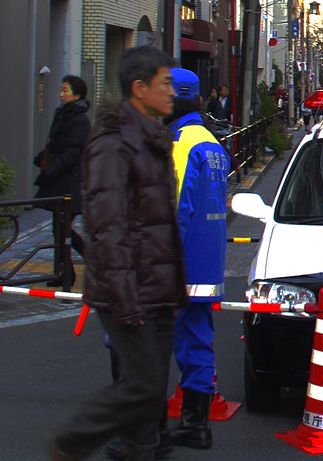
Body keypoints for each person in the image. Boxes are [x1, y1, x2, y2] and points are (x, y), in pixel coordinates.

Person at [45, 47, 182, 461]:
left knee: (150, 386)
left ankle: (138, 451)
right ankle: (71, 441)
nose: (172, 92)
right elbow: (109, 226)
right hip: (130, 287)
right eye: (165, 83)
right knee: (140, 385)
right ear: (139, 89)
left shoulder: (149, 137)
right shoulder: (113, 144)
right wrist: (125, 297)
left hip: (155, 285)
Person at [156, 69, 230, 451]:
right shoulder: (212, 144)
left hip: (177, 264)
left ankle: (151, 429)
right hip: (207, 262)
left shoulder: (182, 144)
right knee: (197, 341)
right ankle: (196, 424)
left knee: (149, 344)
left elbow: (176, 210)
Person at [35, 75, 91, 289]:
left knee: (63, 228)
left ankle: (82, 268)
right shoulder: (64, 115)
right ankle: (64, 272)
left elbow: (73, 152)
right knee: (59, 228)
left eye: (65, 90)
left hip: (71, 182)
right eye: (61, 90)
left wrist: (51, 170)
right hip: (60, 180)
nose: (61, 94)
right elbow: (57, 144)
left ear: (77, 94)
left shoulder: (80, 119)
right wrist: (42, 157)